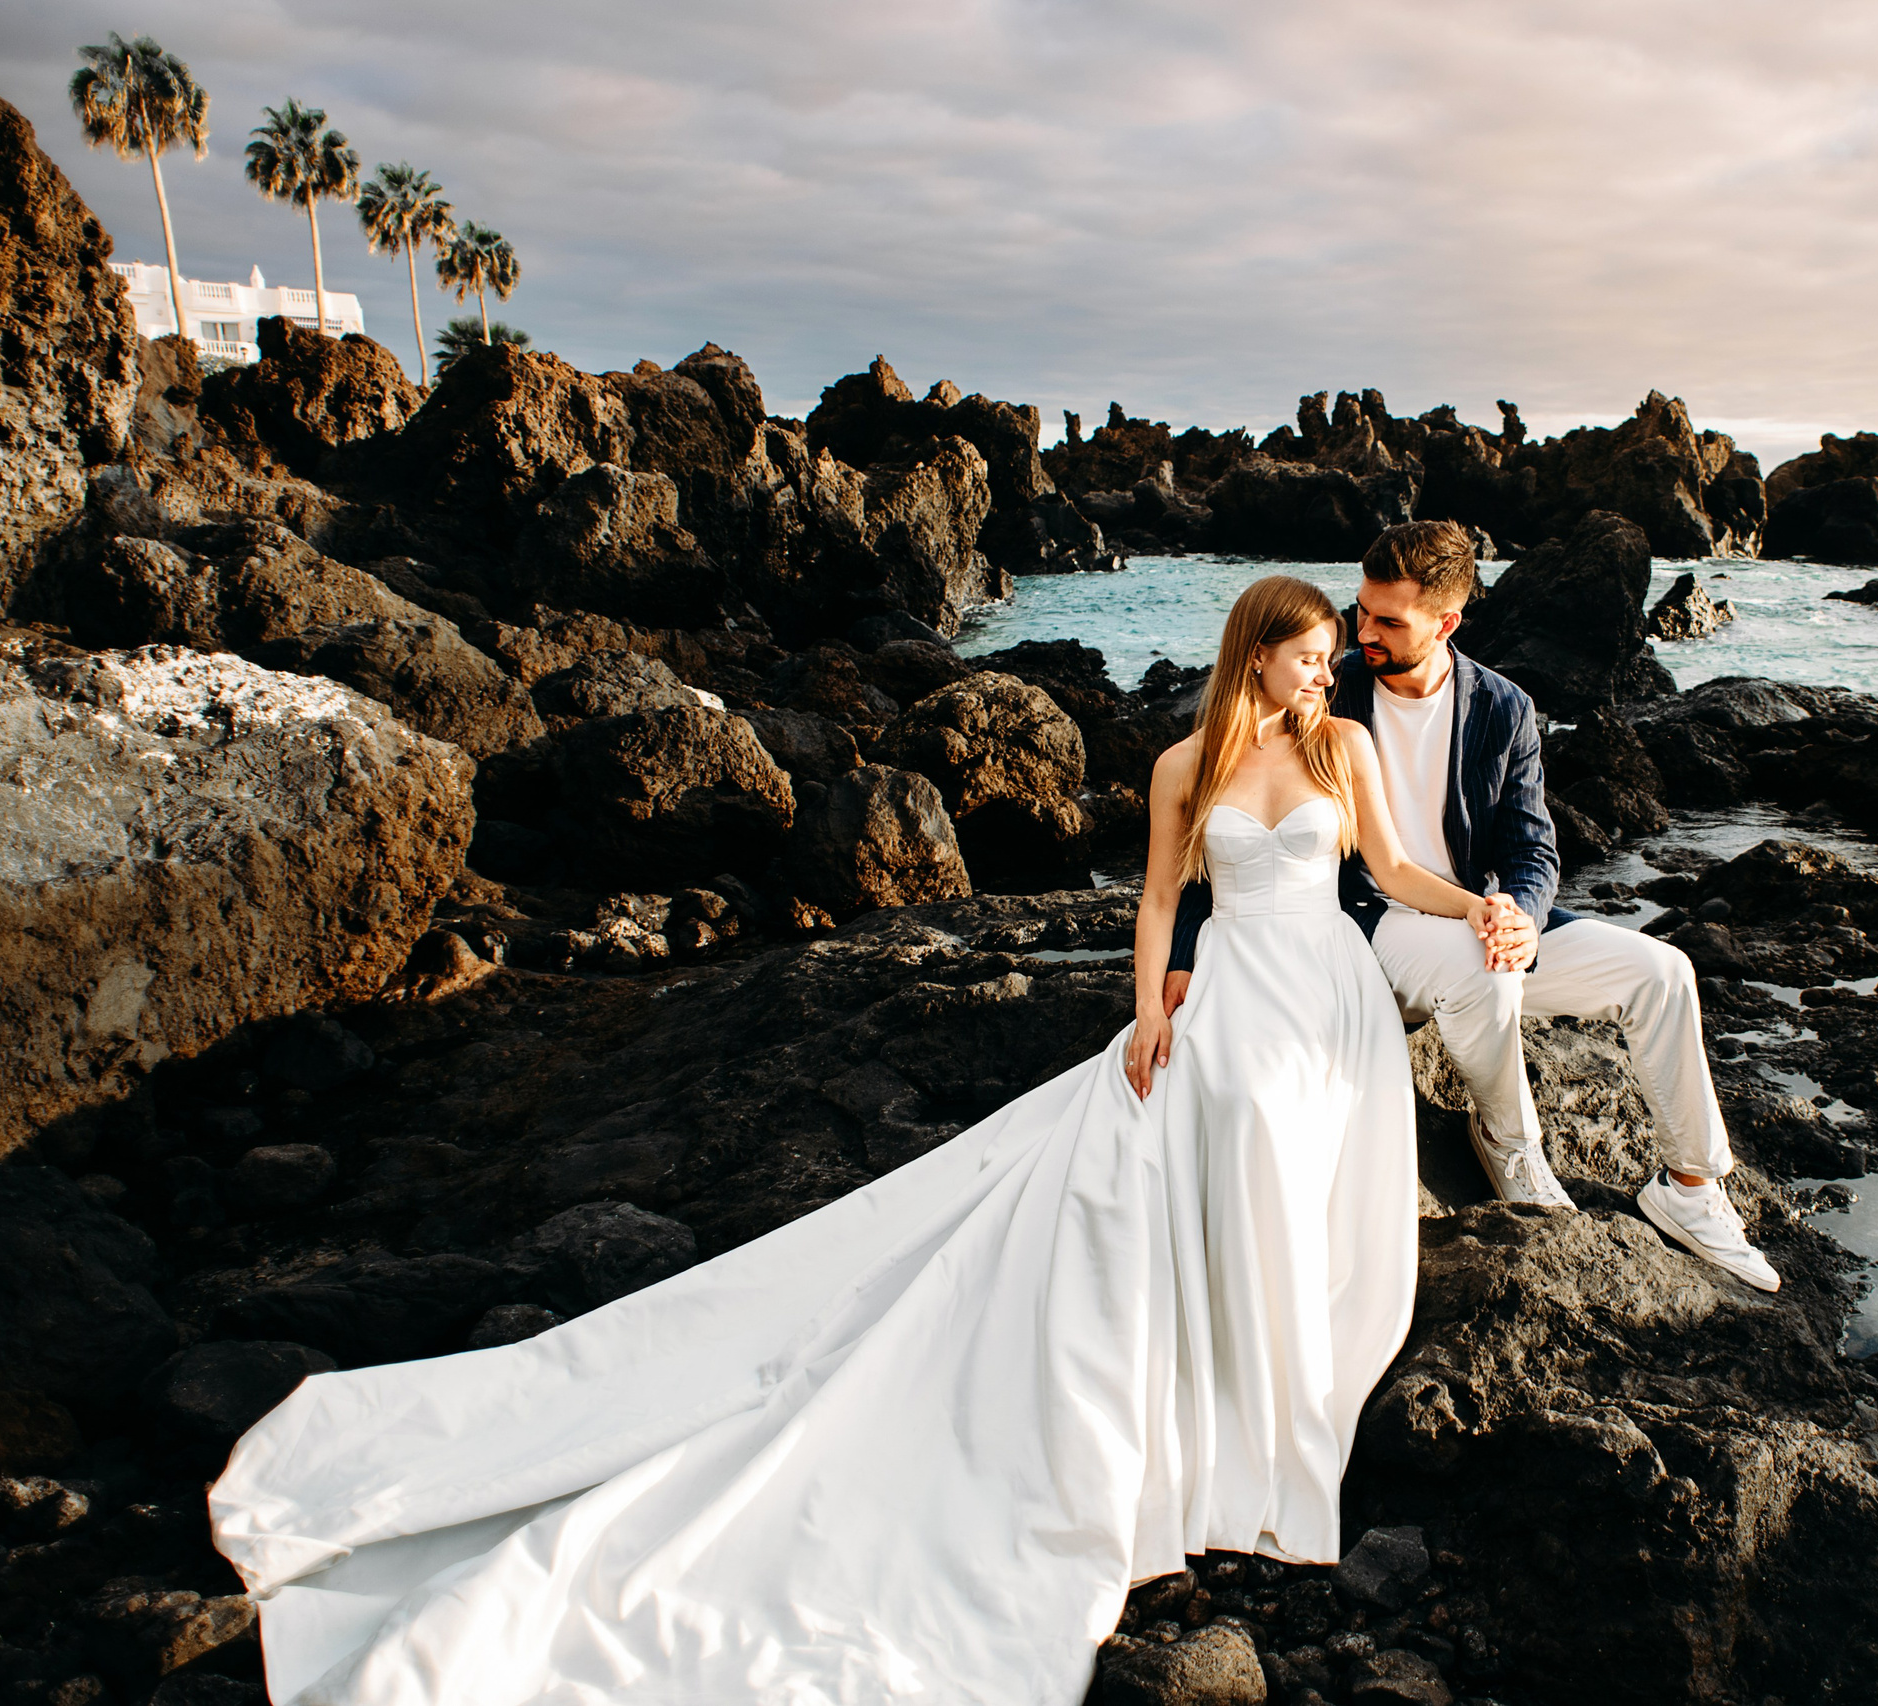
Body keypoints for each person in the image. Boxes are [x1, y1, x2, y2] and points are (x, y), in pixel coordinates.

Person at [208, 576, 1502, 1706]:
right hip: (1226, 991)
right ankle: (1226, 1401)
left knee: (1283, 1143)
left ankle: (1281, 1399)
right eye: (1311, 648)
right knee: (1211, 1135)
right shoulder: (1187, 763)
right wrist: (1146, 1011)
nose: (1329, 665)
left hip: (1322, 984)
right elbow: (1161, 899)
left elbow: (1390, 873)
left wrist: (1483, 904)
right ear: (1257, 649)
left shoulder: (1342, 748)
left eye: (1335, 651)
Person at [1165, 520, 1780, 1292]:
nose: (1364, 633)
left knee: (1663, 972)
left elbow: (1532, 846)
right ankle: (1508, 1140)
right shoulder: (1328, 686)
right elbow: (1218, 828)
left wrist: (1520, 912)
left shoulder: (1503, 708)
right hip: (1365, 928)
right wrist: (1184, 956)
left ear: (1447, 622)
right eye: (1363, 611)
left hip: (1475, 920)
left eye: (1389, 620)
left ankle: (1690, 1189)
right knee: (1480, 972)